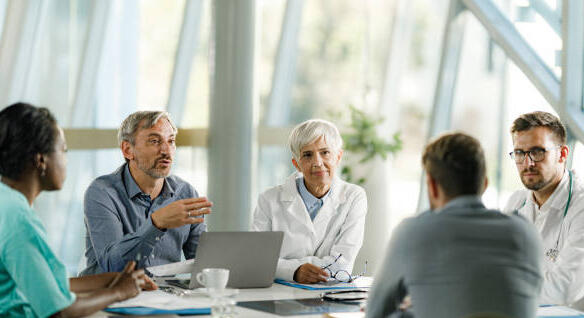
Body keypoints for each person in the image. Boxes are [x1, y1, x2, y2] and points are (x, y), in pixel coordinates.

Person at [0, 103, 157, 317]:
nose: (66, 160)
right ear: (41, 160)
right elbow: (60, 312)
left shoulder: (6, 202)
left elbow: (43, 284)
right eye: (63, 150)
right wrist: (119, 292)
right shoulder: (19, 220)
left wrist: (111, 280)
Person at [366, 132, 542, 318]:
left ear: (432, 186)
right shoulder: (526, 232)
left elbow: (376, 313)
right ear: (484, 184)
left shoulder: (412, 232)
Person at [81, 111, 212, 275]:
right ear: (128, 150)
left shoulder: (185, 192)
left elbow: (204, 264)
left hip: (165, 297)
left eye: (171, 141)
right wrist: (156, 224)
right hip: (113, 295)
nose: (166, 150)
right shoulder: (102, 192)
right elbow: (112, 265)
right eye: (155, 141)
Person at [252, 119, 367, 283]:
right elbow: (257, 259)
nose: (317, 162)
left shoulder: (354, 197)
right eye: (307, 155)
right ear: (296, 164)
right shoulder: (269, 199)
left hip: (331, 292)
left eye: (325, 152)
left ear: (338, 156)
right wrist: (294, 271)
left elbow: (343, 265)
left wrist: (283, 267)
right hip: (281, 294)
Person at [504, 111, 584, 307]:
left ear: (563, 154)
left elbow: (564, 289)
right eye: (520, 153)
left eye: (537, 152)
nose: (528, 163)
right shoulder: (516, 202)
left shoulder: (580, 206)